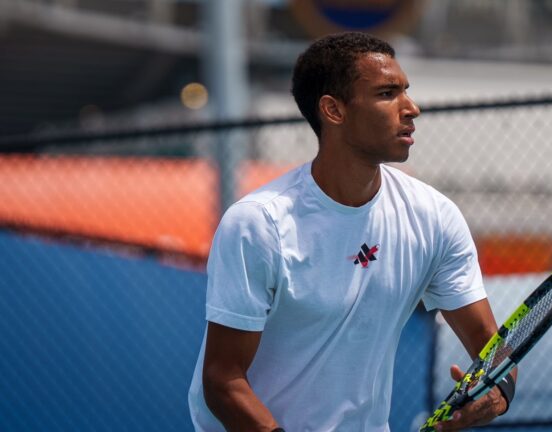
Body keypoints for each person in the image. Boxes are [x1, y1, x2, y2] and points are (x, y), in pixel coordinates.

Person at [188, 31, 516, 431]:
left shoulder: (435, 217)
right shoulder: (259, 224)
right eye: (386, 93)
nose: (411, 108)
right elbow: (222, 381)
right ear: (334, 110)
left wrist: (499, 395)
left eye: (406, 92)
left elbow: (491, 347)